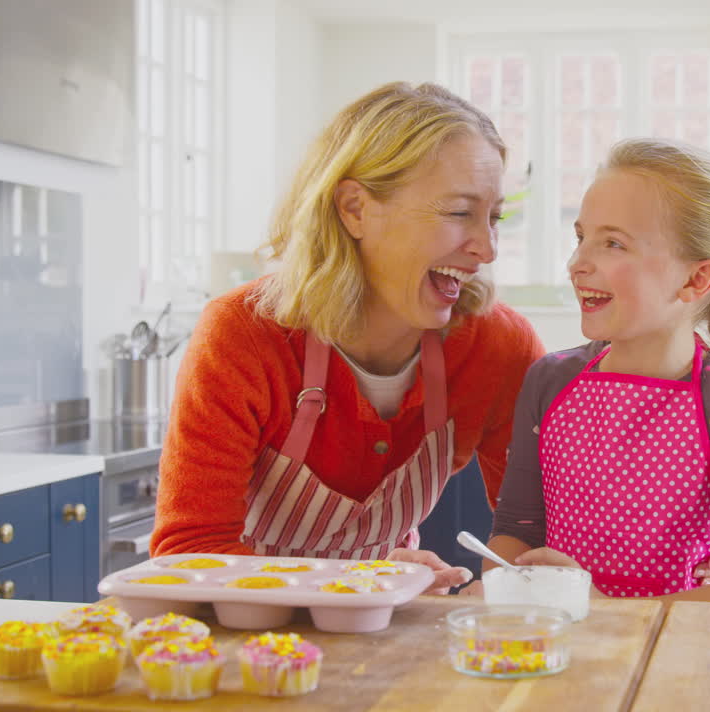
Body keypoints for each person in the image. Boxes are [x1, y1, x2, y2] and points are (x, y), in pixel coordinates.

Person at [150, 82, 546, 592]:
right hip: (244, 645)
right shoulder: (242, 334)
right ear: (355, 208)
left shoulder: (497, 345)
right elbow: (189, 555)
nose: (487, 250)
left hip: (379, 634)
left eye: (494, 218)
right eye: (458, 212)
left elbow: (537, 533)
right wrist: (360, 584)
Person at [478, 138, 710, 603]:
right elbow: (515, 534)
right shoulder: (549, 382)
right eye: (580, 237)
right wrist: (499, 589)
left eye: (613, 244)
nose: (577, 263)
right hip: (562, 653)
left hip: (677, 661)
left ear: (695, 280)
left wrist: (596, 609)